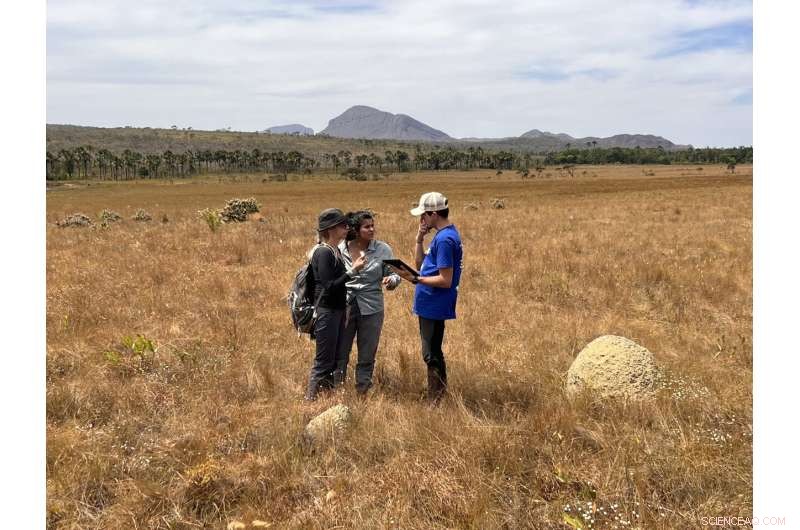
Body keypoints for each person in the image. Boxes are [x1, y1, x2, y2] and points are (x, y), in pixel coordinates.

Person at [392, 192, 463, 403]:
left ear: (433, 214)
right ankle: (437, 395)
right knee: (431, 350)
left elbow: (445, 279)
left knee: (431, 353)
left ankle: (436, 399)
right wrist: (419, 239)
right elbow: (421, 265)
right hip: (429, 302)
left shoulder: (445, 240)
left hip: (434, 303)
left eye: (424, 215)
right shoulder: (441, 236)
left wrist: (417, 280)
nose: (421, 219)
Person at [336, 210, 402, 395]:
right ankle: (337, 391)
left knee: (367, 353)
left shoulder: (383, 249)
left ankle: (362, 391)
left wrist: (392, 281)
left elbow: (395, 274)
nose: (372, 229)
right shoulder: (340, 249)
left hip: (372, 307)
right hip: (346, 306)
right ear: (356, 230)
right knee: (340, 352)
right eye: (367, 227)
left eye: (373, 225)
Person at [305, 208, 366, 401]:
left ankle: (326, 399)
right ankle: (310, 401)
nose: (347, 228)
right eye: (342, 225)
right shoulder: (323, 252)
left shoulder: (335, 251)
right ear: (331, 229)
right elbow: (329, 285)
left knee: (333, 360)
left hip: (337, 310)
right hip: (327, 310)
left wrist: (344, 308)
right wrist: (353, 271)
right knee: (323, 362)